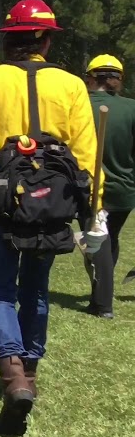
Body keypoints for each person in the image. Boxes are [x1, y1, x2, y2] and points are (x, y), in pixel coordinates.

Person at [0, 0, 98, 437]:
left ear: (9, 40)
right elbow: (87, 155)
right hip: (54, 206)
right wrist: (95, 211)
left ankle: (12, 376)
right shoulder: (72, 86)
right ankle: (28, 375)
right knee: (36, 291)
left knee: (0, 291)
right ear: (46, 39)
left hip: (0, 204)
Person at [83, 55, 135, 319]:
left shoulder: (79, 104)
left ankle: (102, 303)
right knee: (109, 238)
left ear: (91, 78)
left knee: (96, 241)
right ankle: (99, 294)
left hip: (90, 187)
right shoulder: (132, 108)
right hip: (124, 188)